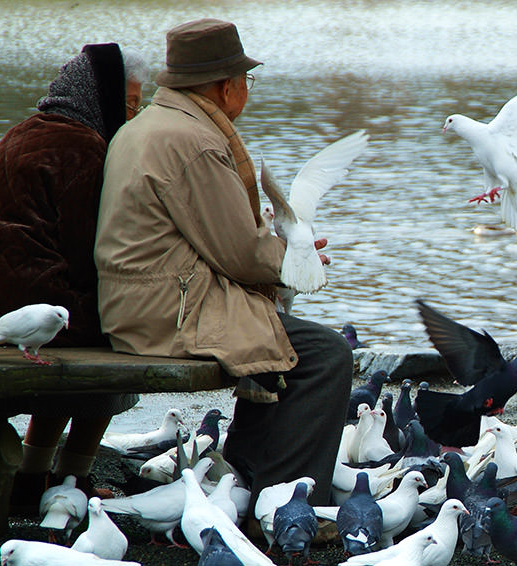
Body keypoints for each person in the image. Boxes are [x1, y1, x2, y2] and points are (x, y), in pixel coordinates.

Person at [93, 18, 353, 513]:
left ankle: (244, 478)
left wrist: (284, 253)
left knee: (277, 337)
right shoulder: (193, 142)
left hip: (140, 303)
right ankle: (282, 502)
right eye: (245, 81)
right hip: (169, 312)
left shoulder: (147, 125)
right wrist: (298, 261)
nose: (246, 91)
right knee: (324, 355)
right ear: (225, 85)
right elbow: (239, 252)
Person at [0, 43, 151, 512]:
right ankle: (71, 475)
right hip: (12, 302)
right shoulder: (84, 148)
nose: (135, 116)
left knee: (79, 317)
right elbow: (91, 254)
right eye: (130, 104)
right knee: (119, 330)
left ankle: (34, 469)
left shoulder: (29, 129)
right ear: (101, 97)